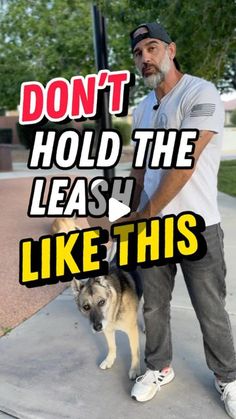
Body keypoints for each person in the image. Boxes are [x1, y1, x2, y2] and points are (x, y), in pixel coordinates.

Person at [127, 21, 236, 418]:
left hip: (198, 225)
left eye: (152, 48)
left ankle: (228, 377)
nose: (145, 58)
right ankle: (158, 367)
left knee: (210, 308)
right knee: (154, 307)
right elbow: (140, 170)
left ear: (171, 50)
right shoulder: (142, 110)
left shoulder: (200, 92)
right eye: (138, 53)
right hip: (152, 230)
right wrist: (124, 216)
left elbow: (183, 161)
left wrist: (145, 213)